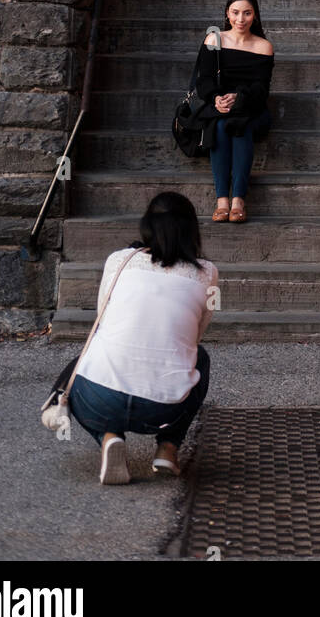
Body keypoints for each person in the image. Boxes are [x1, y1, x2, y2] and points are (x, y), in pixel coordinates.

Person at [69, 192, 218, 485]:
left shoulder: (119, 261)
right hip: (163, 408)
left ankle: (108, 436)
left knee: (86, 362)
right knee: (200, 357)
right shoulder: (208, 274)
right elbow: (196, 335)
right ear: (192, 230)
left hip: (100, 398)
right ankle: (168, 448)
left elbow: (102, 318)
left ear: (147, 225)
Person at [194, 0, 274, 225]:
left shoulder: (263, 46)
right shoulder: (214, 39)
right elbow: (204, 80)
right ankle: (222, 201)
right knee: (221, 126)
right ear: (227, 14)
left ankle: (238, 199)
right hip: (220, 109)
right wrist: (216, 98)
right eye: (235, 12)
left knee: (239, 125)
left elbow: (261, 90)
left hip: (252, 109)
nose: (241, 19)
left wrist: (239, 98)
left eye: (247, 13)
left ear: (255, 15)